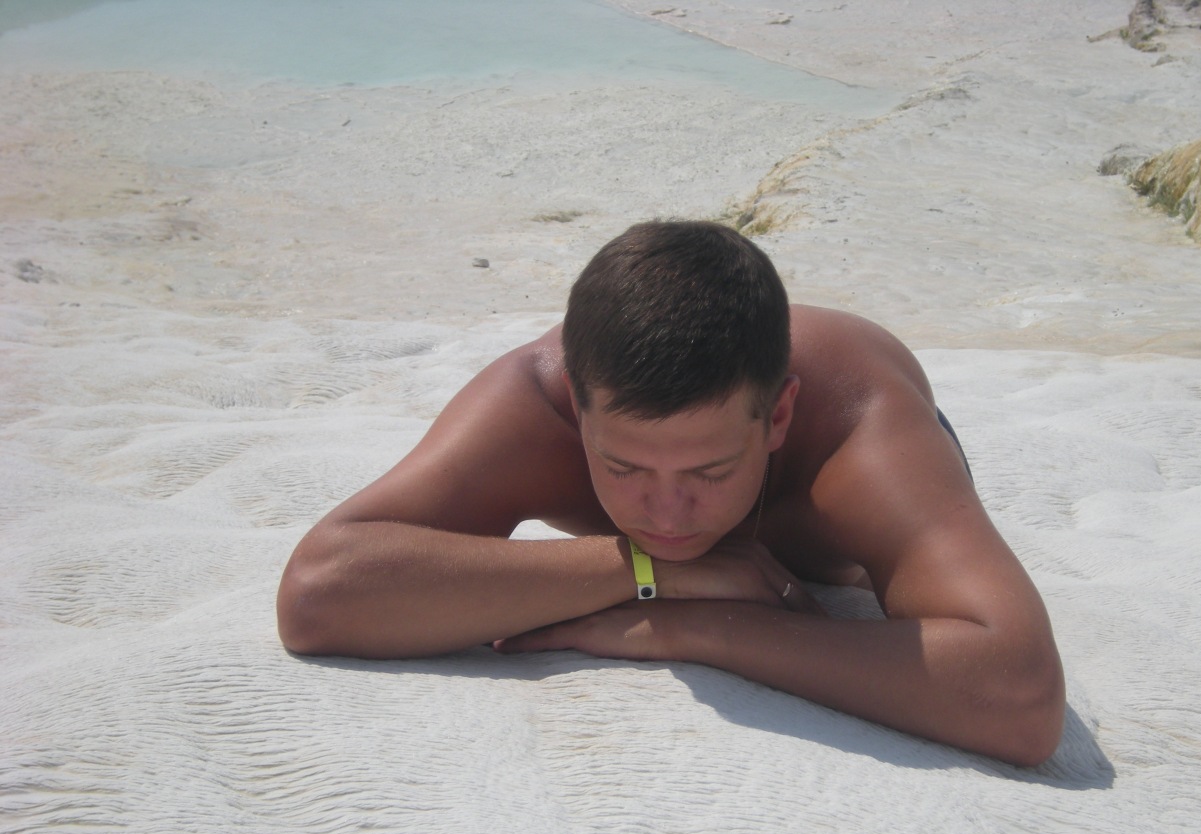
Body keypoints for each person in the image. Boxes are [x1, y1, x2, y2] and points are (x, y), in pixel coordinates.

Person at [277, 220, 1064, 766]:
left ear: (777, 417)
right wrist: (648, 570)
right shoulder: (535, 405)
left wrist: (699, 631)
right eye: (623, 469)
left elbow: (1020, 696)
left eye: (709, 473)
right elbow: (320, 594)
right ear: (579, 410)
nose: (664, 513)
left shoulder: (856, 432)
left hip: (877, 414)